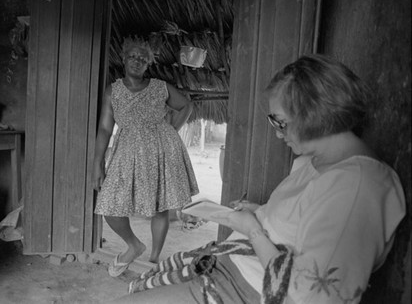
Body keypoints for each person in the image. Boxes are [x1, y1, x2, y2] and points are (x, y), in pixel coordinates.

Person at [111, 54, 406, 303]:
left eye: (280, 121)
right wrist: (260, 213)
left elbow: (310, 297)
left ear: (313, 114)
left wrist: (254, 231)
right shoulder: (315, 162)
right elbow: (299, 222)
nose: (277, 133)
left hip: (246, 290)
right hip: (234, 267)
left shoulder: (358, 188)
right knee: (142, 287)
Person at [92, 37, 199, 277]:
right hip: (127, 150)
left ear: (148, 64)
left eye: (143, 59)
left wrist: (172, 130)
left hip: (161, 149)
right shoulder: (113, 91)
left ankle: (153, 257)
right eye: (133, 56)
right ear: (124, 58)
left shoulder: (160, 86)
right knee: (110, 204)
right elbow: (105, 129)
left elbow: (186, 106)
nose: (137, 61)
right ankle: (134, 246)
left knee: (160, 206)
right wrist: (97, 162)